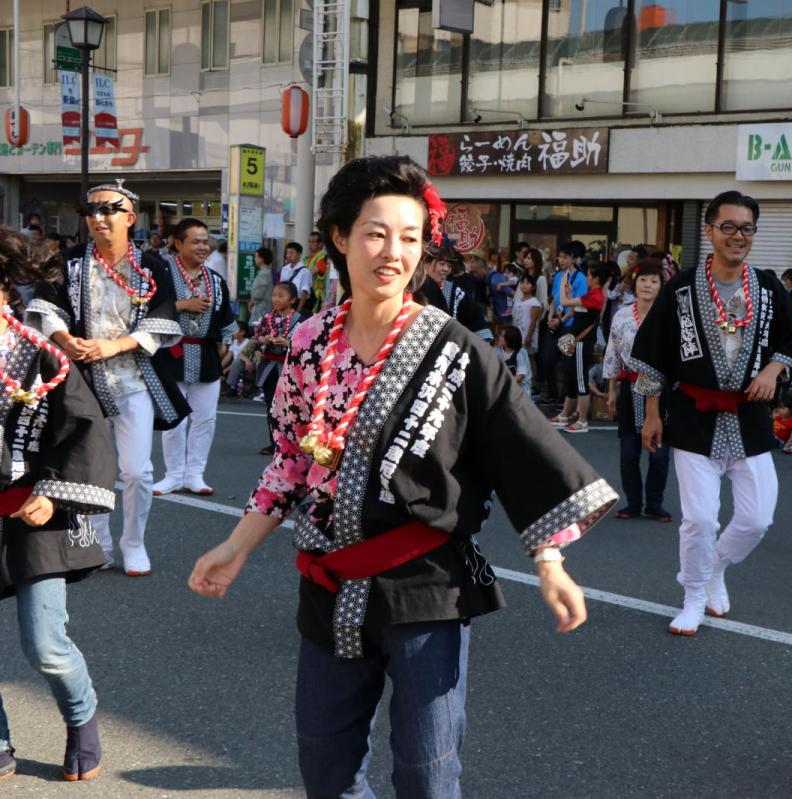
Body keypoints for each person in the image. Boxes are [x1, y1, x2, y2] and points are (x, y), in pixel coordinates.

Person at [188, 155, 616, 798]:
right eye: (376, 232)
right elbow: (292, 461)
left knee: (427, 772)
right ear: (339, 236)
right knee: (326, 772)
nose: (394, 252)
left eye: (410, 238)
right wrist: (236, 545)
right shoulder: (309, 340)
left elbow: (520, 449)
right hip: (328, 582)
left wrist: (550, 562)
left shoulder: (457, 349)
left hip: (426, 588)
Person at [630, 189, 792, 636]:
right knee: (701, 518)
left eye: (746, 228)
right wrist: (652, 414)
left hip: (749, 415)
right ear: (709, 231)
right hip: (693, 413)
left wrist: (773, 368)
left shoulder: (767, 286)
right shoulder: (682, 289)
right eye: (728, 227)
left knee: (757, 517)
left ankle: (713, 569)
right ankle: (692, 597)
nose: (737, 236)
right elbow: (653, 355)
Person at [0, 229, 117, 784]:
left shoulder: (39, 353)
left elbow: (84, 430)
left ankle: (81, 715)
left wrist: (51, 493)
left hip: (34, 508)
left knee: (44, 643)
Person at [26, 179, 187, 577]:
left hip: (132, 378)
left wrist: (113, 347)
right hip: (81, 381)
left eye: (108, 209)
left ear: (130, 218)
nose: (98, 218)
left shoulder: (152, 267)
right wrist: (65, 339)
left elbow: (163, 321)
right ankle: (97, 541)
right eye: (91, 211)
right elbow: (46, 306)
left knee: (136, 470)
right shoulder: (71, 261)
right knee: (88, 466)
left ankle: (133, 541)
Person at [152, 219, 237, 497]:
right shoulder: (162, 274)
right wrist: (182, 305)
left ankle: (195, 474)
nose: (203, 246)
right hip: (170, 354)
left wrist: (228, 350)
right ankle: (173, 474)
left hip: (206, 355)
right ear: (178, 243)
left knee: (206, 418)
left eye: (206, 241)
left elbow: (226, 324)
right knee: (175, 419)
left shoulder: (215, 279)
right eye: (196, 241)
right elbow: (147, 311)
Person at [604, 258, 671, 523]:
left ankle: (655, 504)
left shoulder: (669, 316)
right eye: (643, 280)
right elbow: (612, 352)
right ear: (635, 283)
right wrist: (611, 390)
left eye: (654, 281)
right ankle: (633, 502)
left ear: (660, 285)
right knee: (629, 452)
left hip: (661, 390)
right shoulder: (621, 315)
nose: (647, 285)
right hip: (630, 387)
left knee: (660, 454)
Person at [553, 262, 606, 434]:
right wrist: (569, 293)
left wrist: (562, 285)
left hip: (583, 343)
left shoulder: (597, 296)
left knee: (581, 380)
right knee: (570, 376)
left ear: (597, 278)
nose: (587, 278)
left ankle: (582, 421)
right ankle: (564, 414)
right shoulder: (591, 294)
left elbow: (564, 302)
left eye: (590, 275)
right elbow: (575, 307)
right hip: (576, 341)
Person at [253, 281, 302, 455]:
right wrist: (262, 340)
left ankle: (291, 444)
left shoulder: (301, 320)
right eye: (274, 295)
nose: (276, 299)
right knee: (270, 406)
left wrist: (289, 344)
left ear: (293, 300)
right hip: (269, 367)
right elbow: (257, 339)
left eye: (281, 296)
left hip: (290, 369)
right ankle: (274, 443)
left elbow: (306, 346)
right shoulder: (267, 318)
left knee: (290, 408)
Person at [421, 241, 491, 340]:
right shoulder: (412, 287)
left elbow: (476, 317)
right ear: (426, 263)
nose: (446, 269)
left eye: (449, 266)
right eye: (442, 264)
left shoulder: (455, 292)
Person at [495, 325, 532, 397]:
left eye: (502, 336)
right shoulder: (498, 350)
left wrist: (501, 383)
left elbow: (519, 377)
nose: (499, 338)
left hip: (521, 390)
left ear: (510, 339)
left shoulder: (520, 353)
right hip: (507, 385)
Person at [511, 271, 542, 358]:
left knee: (528, 359)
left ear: (533, 287)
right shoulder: (517, 301)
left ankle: (533, 372)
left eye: (527, 283)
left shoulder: (534, 302)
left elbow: (533, 321)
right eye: (522, 283)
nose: (524, 285)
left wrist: (529, 336)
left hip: (527, 337)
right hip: (517, 336)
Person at [223, 320, 254, 397]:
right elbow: (228, 356)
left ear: (242, 332)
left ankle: (231, 387)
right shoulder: (234, 341)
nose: (233, 332)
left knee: (235, 363)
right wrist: (219, 368)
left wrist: (225, 369)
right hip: (234, 366)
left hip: (243, 366)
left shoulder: (247, 342)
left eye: (235, 330)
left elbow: (239, 358)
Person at [279, 242, 312, 310]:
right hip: (286, 302)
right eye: (287, 253)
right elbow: (281, 286)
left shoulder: (305, 271)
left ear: (299, 254)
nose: (289, 255)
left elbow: (305, 292)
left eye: (292, 253)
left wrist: (299, 310)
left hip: (298, 303)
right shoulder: (284, 269)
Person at [248, 246, 275, 326]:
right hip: (262, 306)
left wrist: (252, 301)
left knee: (259, 329)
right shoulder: (265, 272)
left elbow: (259, 292)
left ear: (261, 259)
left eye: (256, 257)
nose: (255, 259)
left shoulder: (264, 273)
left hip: (261, 307)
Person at [305, 231, 329, 312]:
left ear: (320, 244)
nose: (310, 244)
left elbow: (310, 272)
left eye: (313, 242)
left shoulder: (322, 257)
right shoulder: (308, 258)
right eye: (309, 241)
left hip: (318, 297)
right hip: (310, 295)